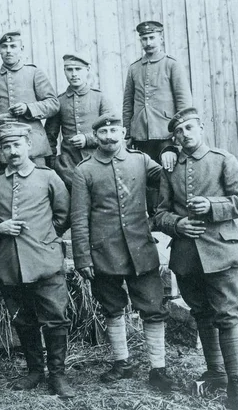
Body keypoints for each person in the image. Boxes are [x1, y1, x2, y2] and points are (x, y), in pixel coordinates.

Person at [155, 107, 238, 410]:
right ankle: (215, 373)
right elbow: (159, 212)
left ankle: (236, 387)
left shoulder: (222, 159)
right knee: (200, 313)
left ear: (201, 128)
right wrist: (176, 224)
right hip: (186, 255)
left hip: (220, 251)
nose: (185, 135)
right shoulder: (170, 168)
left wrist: (212, 205)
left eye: (189, 128)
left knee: (227, 316)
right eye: (178, 131)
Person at [70, 114, 173, 392]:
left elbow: (166, 175)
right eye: (103, 132)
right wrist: (83, 257)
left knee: (153, 307)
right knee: (112, 307)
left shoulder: (139, 160)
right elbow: (78, 218)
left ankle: (158, 368)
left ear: (124, 132)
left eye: (114, 130)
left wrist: (170, 152)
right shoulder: (85, 170)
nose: (109, 136)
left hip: (141, 248)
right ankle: (122, 362)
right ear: (96, 136)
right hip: (104, 252)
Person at [0, 122, 74, 399]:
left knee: (56, 319)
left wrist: (44, 239)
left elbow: (63, 214)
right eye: (6, 146)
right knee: (23, 320)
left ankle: (57, 374)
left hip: (46, 263)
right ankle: (35, 370)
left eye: (17, 144)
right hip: (10, 265)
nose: (12, 151)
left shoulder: (48, 176)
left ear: (29, 146)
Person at [122, 21, 192, 215]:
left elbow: (183, 102)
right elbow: (128, 103)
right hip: (141, 136)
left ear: (161, 38)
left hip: (166, 135)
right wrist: (128, 132)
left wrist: (181, 133)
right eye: (144, 39)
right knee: (145, 179)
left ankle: (171, 216)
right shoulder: (134, 68)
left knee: (169, 176)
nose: (148, 42)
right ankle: (153, 219)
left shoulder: (171, 65)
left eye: (152, 37)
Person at [0, 30, 59, 171]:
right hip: (4, 147)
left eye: (13, 46)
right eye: (4, 47)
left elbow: (53, 104)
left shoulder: (34, 73)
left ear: (21, 49)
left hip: (33, 147)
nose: (9, 51)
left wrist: (28, 108)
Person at [45, 52, 112, 189]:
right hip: (68, 166)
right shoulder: (59, 101)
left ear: (87, 70)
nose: (74, 74)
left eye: (78, 69)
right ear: (64, 71)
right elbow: (50, 136)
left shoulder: (99, 98)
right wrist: (52, 164)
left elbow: (113, 131)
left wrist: (87, 139)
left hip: (98, 161)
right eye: (69, 70)